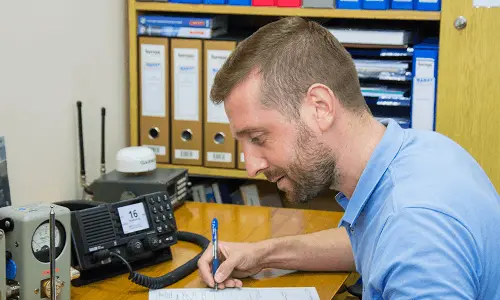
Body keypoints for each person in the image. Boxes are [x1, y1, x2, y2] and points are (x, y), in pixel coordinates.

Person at [196, 16, 500, 299]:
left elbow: (405, 241)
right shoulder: (422, 152)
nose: (251, 167)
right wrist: (263, 254)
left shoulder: (415, 230)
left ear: (321, 107)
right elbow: (368, 241)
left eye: (259, 138)